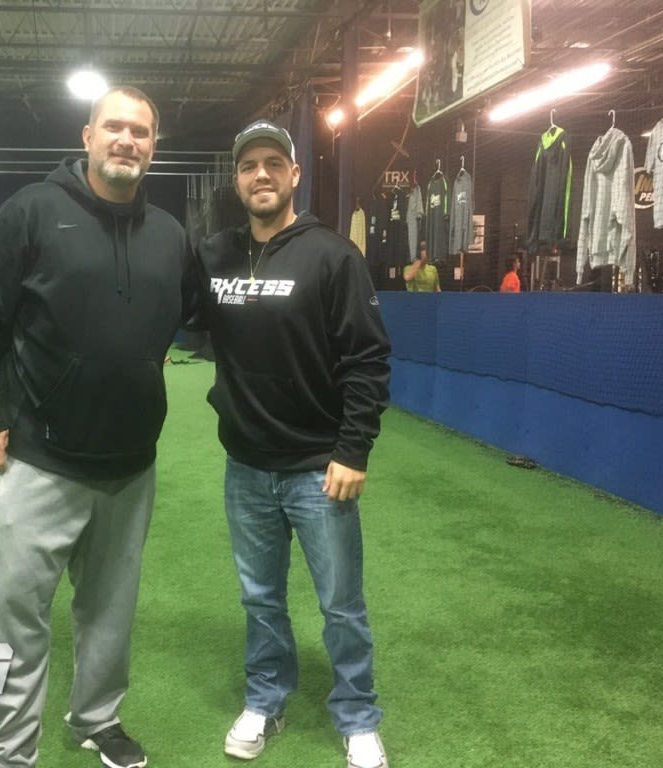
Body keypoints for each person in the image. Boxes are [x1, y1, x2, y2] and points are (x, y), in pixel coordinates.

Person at [0, 85, 194, 768]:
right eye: (114, 127)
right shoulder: (32, 211)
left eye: (141, 131)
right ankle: (7, 749)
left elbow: (189, 314)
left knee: (110, 609)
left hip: (130, 466)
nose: (127, 140)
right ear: (87, 136)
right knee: (20, 614)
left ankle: (96, 720)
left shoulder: (170, 235)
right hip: (38, 458)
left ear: (154, 147)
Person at [195, 120, 392, 768]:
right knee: (260, 597)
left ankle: (357, 717)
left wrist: (353, 450)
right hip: (247, 466)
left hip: (318, 468)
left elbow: (367, 359)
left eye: (273, 164)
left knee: (341, 604)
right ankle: (266, 698)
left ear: (294, 174)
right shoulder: (217, 257)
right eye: (249, 165)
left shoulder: (333, 256)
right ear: (237, 179)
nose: (261, 175)